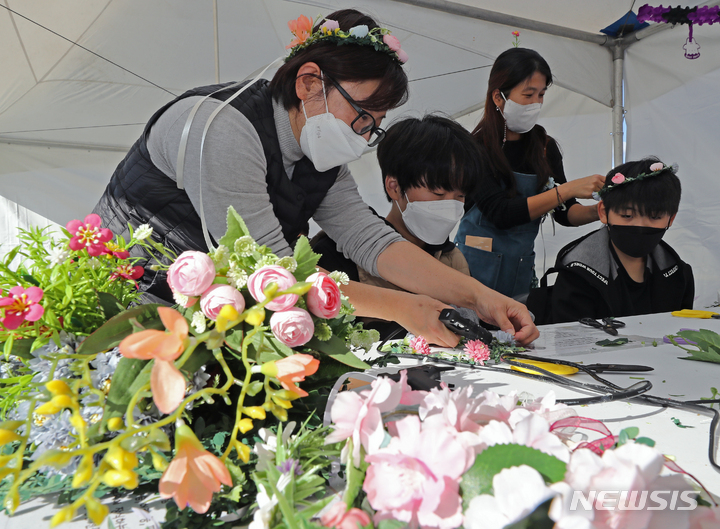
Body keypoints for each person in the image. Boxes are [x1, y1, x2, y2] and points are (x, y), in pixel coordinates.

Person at [92, 10, 538, 346]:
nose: (364, 136)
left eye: (374, 125)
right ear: (308, 84)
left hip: (201, 325)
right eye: (362, 115)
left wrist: (480, 297)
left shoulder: (318, 154)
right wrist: (404, 307)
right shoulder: (223, 128)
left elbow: (371, 241)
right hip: (120, 316)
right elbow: (270, 269)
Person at [454, 47, 605, 300]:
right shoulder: (475, 148)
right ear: (498, 97)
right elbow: (500, 213)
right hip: (472, 271)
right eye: (528, 94)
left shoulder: (545, 148)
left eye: (541, 95)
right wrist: (566, 190)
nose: (536, 103)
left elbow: (565, 212)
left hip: (519, 271)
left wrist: (600, 211)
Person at [534, 157, 693, 324]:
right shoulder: (577, 275)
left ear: (671, 218)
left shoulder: (679, 274)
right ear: (603, 212)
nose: (640, 225)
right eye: (627, 215)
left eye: (654, 217)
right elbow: (571, 337)